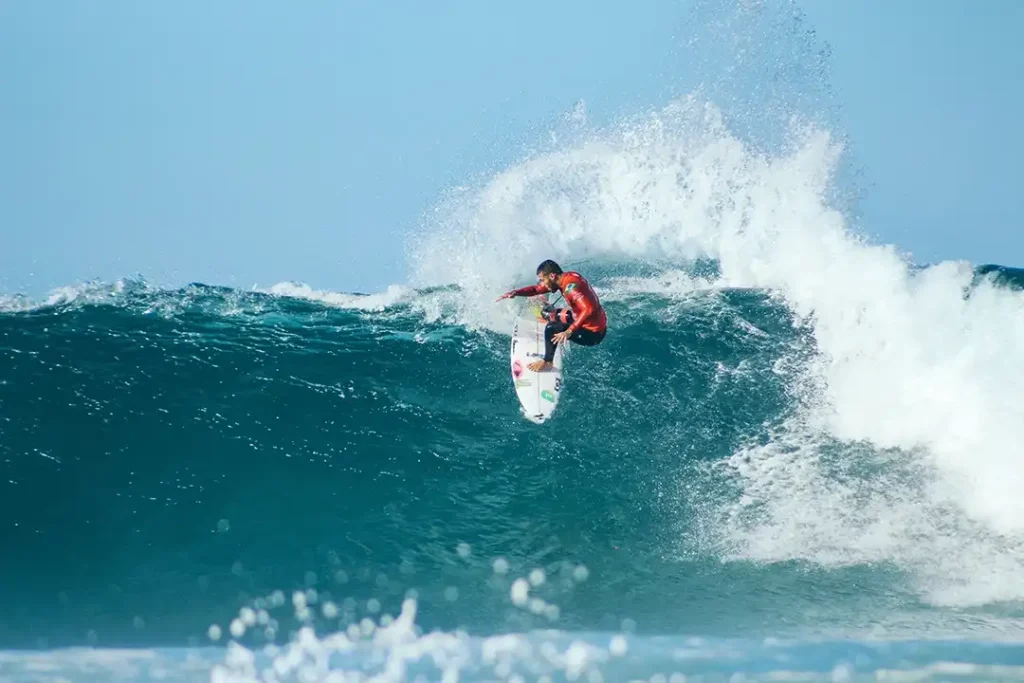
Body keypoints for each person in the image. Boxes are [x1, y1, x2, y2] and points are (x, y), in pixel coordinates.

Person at [496, 260, 607, 372]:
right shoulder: (566, 278)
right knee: (547, 314)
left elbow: (588, 309)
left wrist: (569, 330)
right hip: (590, 320)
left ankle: (547, 362)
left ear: (552, 276)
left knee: (551, 328)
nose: (542, 284)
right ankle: (559, 326)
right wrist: (515, 293)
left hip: (592, 334)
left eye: (543, 280)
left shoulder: (571, 288)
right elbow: (536, 289)